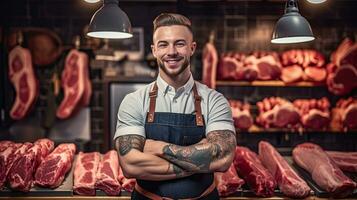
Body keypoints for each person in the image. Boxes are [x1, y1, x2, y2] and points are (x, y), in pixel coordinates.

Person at [114, 13, 236, 200]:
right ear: (154, 50)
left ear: (192, 48)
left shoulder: (215, 100)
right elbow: (131, 165)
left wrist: (157, 147)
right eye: (163, 44)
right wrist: (199, 160)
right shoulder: (134, 101)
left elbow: (222, 158)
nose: (171, 52)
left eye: (179, 43)